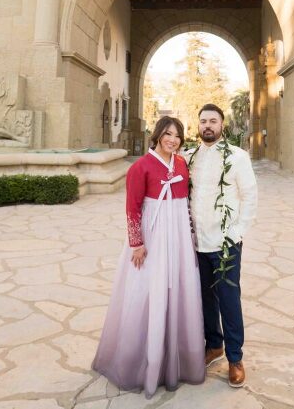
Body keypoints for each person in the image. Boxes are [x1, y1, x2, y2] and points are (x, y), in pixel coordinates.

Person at [92, 116, 205, 398]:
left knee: (178, 289)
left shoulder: (180, 164)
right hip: (152, 236)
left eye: (178, 135)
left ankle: (175, 360)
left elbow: (184, 203)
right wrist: (137, 243)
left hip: (177, 234)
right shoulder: (140, 166)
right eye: (167, 134)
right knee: (147, 290)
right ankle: (143, 360)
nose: (173, 140)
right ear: (157, 136)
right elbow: (132, 208)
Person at [188, 103, 257, 389]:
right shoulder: (190, 157)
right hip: (198, 243)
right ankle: (213, 345)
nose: (207, 125)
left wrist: (237, 233)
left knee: (229, 301)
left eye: (212, 121)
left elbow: (249, 195)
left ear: (221, 124)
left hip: (225, 243)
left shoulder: (237, 157)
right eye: (203, 120)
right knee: (205, 299)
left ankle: (235, 358)